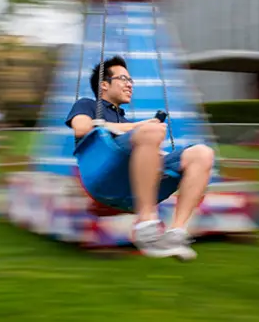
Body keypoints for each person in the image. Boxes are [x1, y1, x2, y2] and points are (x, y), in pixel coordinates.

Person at [65, 55, 215, 260]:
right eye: (123, 79)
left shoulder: (125, 119)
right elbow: (81, 128)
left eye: (130, 81)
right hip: (102, 175)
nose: (129, 85)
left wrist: (155, 149)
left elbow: (144, 150)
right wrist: (140, 126)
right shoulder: (88, 105)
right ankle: (146, 225)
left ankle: (176, 233)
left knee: (202, 153)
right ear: (104, 85)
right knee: (151, 131)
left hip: (132, 182)